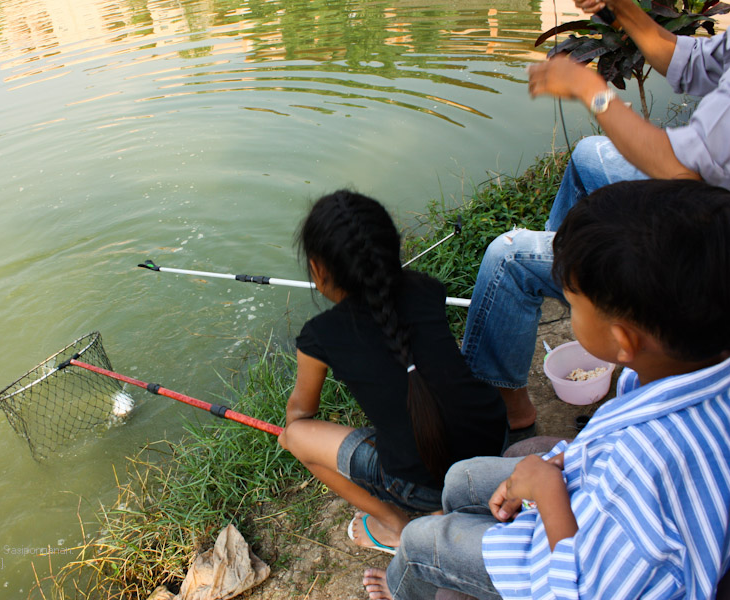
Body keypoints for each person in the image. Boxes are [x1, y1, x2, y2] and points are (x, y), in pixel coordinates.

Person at [363, 178, 730, 599]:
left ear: (624, 340)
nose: (570, 312)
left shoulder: (647, 461)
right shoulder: (683, 371)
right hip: (591, 507)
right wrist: (558, 464)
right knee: (461, 479)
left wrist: (550, 493)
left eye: (574, 306)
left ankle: (408, 587)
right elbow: (605, 455)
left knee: (418, 544)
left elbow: (581, 590)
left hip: (567, 562)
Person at [463, 0, 730, 433]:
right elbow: (694, 62)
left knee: (507, 258)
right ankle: (573, 286)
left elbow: (683, 176)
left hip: (707, 243)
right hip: (705, 206)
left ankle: (511, 408)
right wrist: (622, 7)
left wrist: (593, 90)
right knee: (590, 155)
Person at [278, 190, 507, 554]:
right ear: (393, 247)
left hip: (424, 486)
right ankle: (452, 500)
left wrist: (290, 430)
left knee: (296, 436)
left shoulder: (318, 336)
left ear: (318, 270)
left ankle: (396, 527)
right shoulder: (428, 289)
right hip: (493, 441)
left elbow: (301, 413)